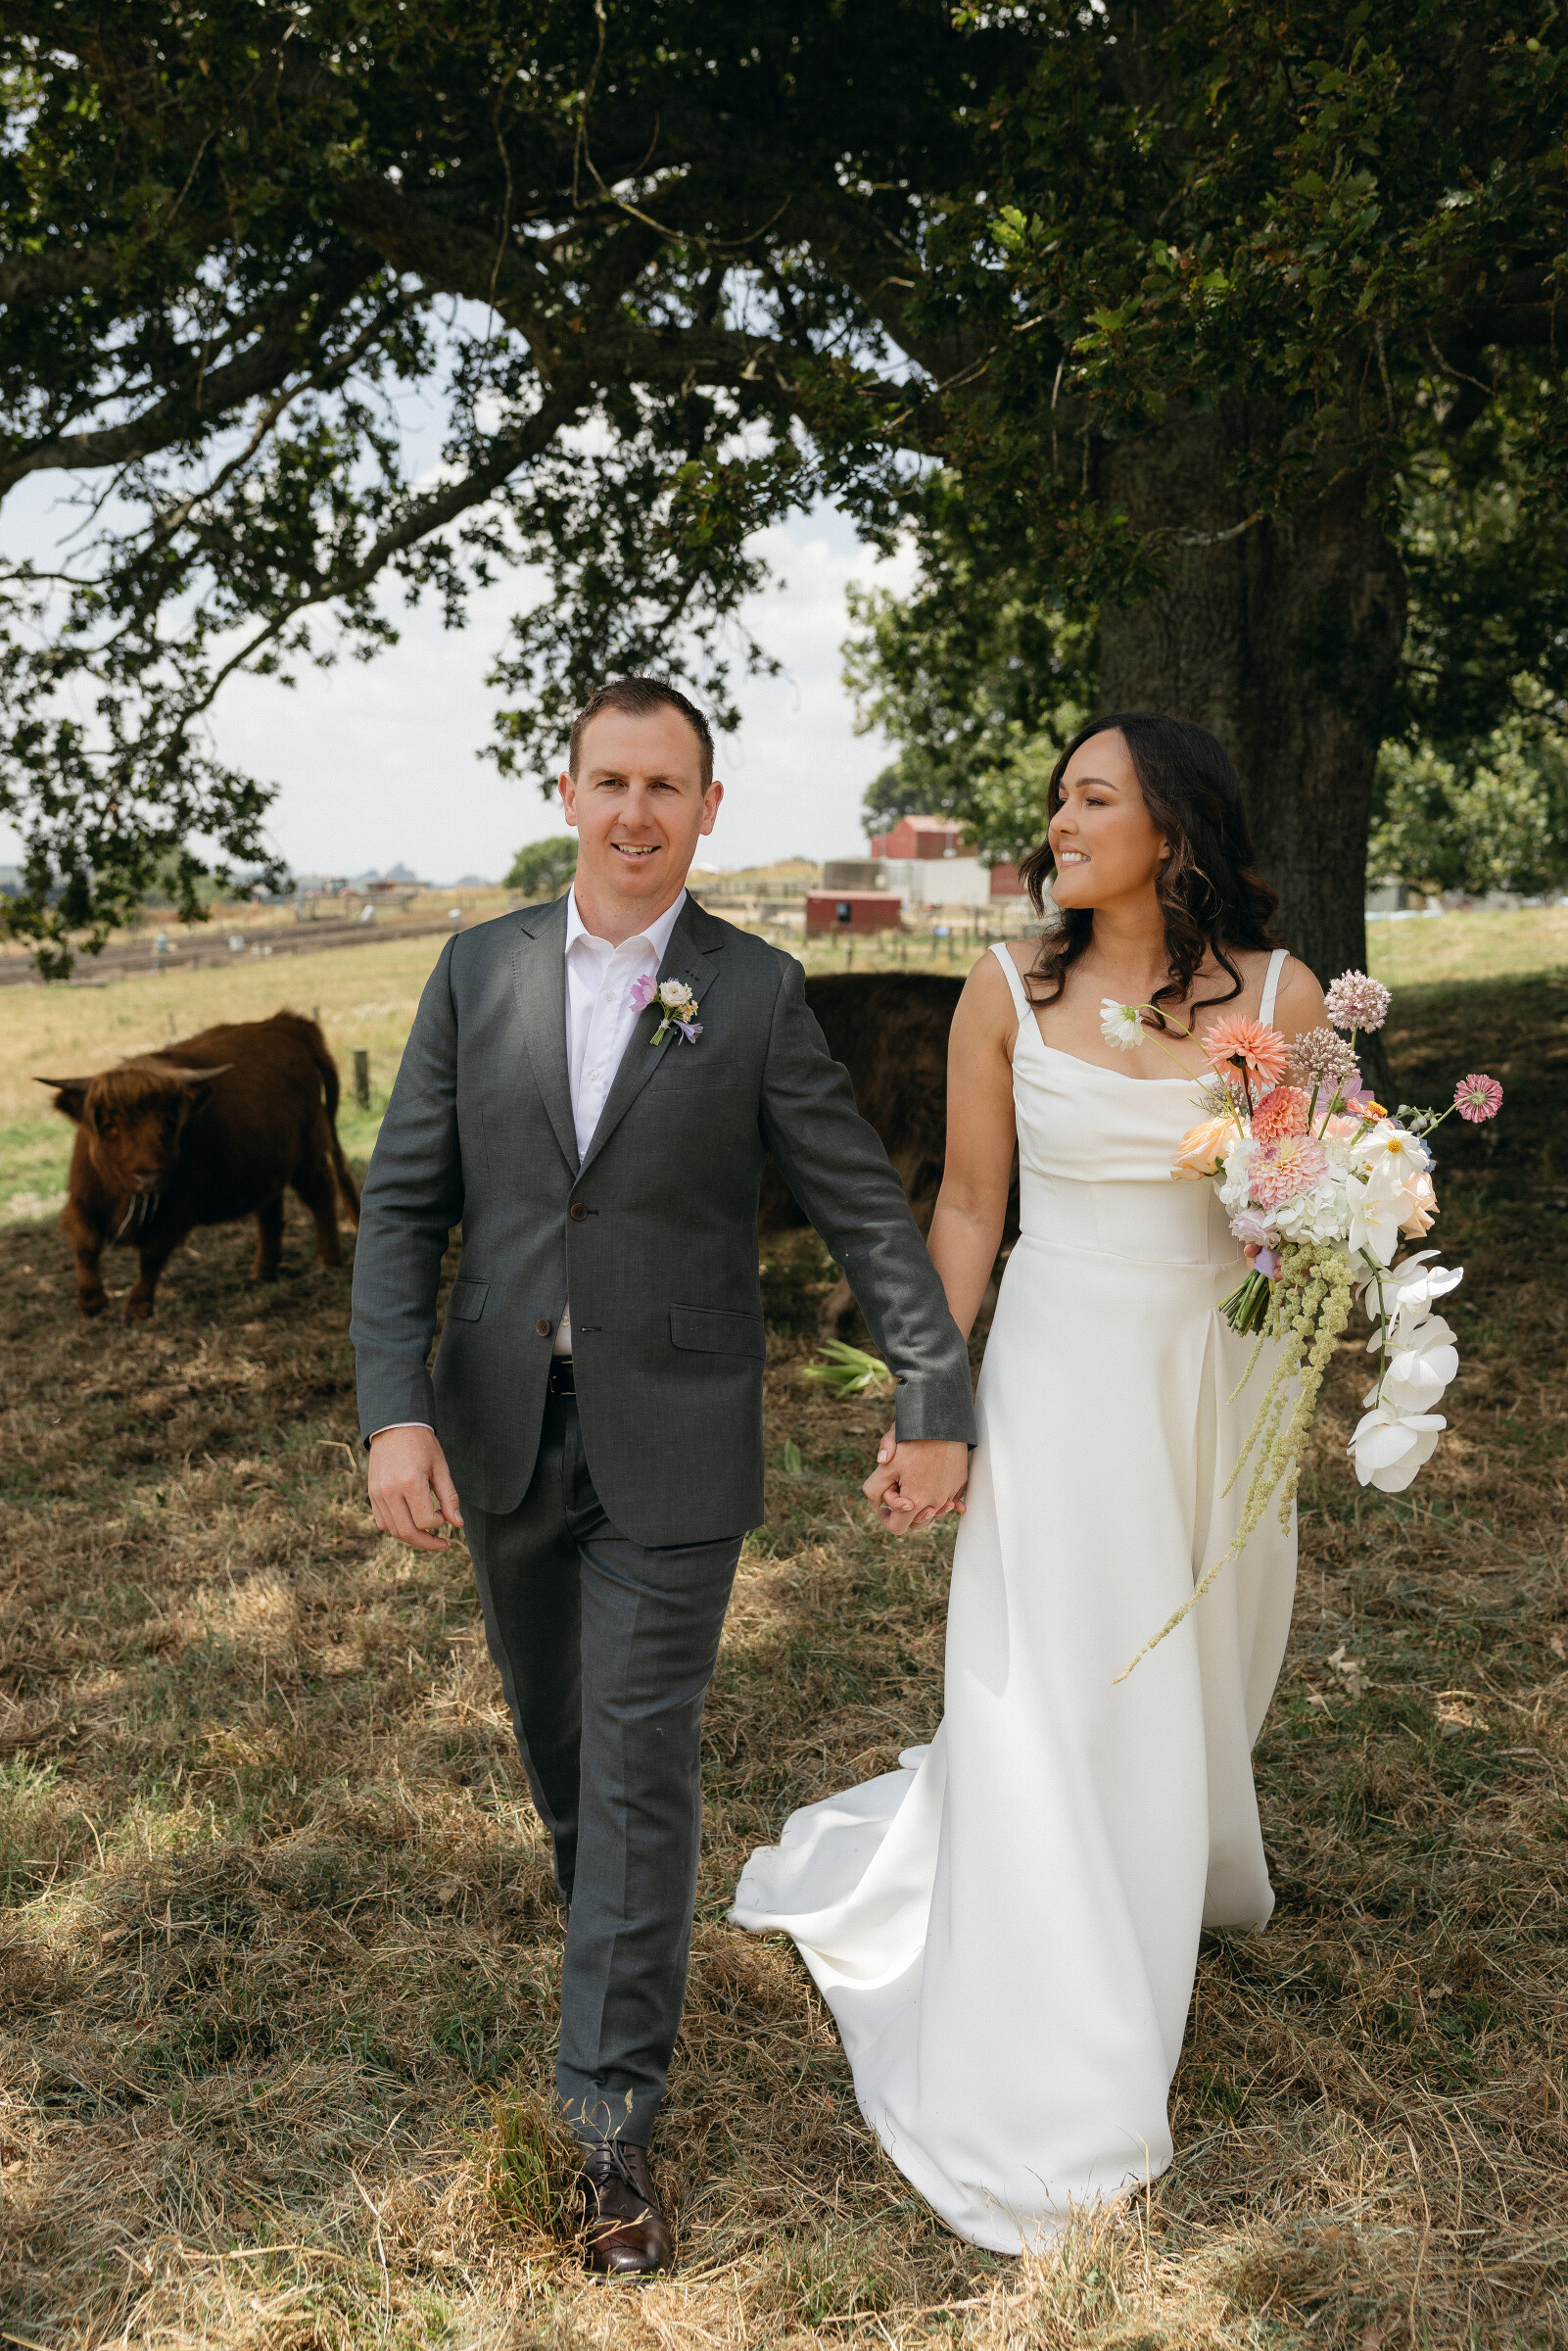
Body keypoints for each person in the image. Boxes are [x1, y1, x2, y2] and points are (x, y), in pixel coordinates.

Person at [350, 677, 974, 2276]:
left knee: (639, 1764)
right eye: (611, 781)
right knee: (566, 1757)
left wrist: (931, 1390)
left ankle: (608, 2124)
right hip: (498, 1425)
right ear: (567, 796)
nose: (636, 812)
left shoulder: (752, 990)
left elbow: (861, 1205)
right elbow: (405, 1204)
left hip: (680, 1435)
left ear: (707, 809)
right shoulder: (475, 970)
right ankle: (617, 1945)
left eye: (666, 786)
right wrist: (393, 1413)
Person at [732, 712, 1325, 2252]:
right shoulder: (1004, 991)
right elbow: (967, 1208)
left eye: (1091, 798)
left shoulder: (1280, 997)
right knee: (1057, 1675)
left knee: (1202, 1653)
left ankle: (1170, 1860)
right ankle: (1060, 2008)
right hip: (1061, 1374)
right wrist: (929, 1401)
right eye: (1057, 798)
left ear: (1172, 828)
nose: (1058, 821)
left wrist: (1343, 1219)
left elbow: (1310, 1197)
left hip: (1217, 1378)